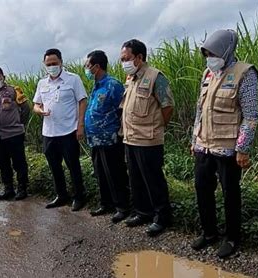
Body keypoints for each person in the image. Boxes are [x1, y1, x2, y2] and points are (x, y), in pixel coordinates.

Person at [190, 29, 258, 258]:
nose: (209, 57)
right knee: (202, 189)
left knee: (230, 193)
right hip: (204, 145)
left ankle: (231, 238)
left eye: (213, 53)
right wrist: (194, 139)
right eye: (206, 53)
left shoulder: (245, 74)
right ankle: (209, 232)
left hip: (228, 148)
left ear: (226, 50)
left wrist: (242, 148)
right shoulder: (208, 73)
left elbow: (250, 116)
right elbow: (200, 110)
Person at [120, 39, 174, 237]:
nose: (123, 62)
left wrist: (158, 125)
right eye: (122, 59)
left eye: (126, 58)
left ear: (139, 57)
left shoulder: (155, 77)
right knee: (135, 178)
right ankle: (142, 212)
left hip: (149, 140)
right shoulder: (131, 78)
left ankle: (162, 217)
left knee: (153, 179)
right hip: (130, 138)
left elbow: (167, 106)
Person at [33, 48, 88, 212]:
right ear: (44, 65)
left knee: (73, 165)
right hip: (49, 132)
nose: (52, 66)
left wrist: (80, 125)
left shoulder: (73, 79)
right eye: (48, 64)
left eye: (54, 63)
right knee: (54, 166)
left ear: (61, 62)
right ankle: (61, 195)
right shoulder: (42, 83)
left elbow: (82, 101)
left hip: (68, 131)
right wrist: (39, 111)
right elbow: (36, 104)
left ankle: (79, 196)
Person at [83, 50, 130, 223]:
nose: (86, 69)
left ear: (97, 66)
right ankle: (106, 203)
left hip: (110, 138)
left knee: (115, 172)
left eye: (88, 66)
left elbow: (122, 110)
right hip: (95, 139)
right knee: (100, 172)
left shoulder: (113, 85)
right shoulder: (96, 85)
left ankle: (122, 206)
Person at [0, 67, 31, 200]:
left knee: (19, 162)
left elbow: (25, 108)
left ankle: (22, 188)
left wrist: (19, 123)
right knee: (1, 162)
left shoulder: (14, 91)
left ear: (4, 77)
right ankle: (8, 189)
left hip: (14, 134)